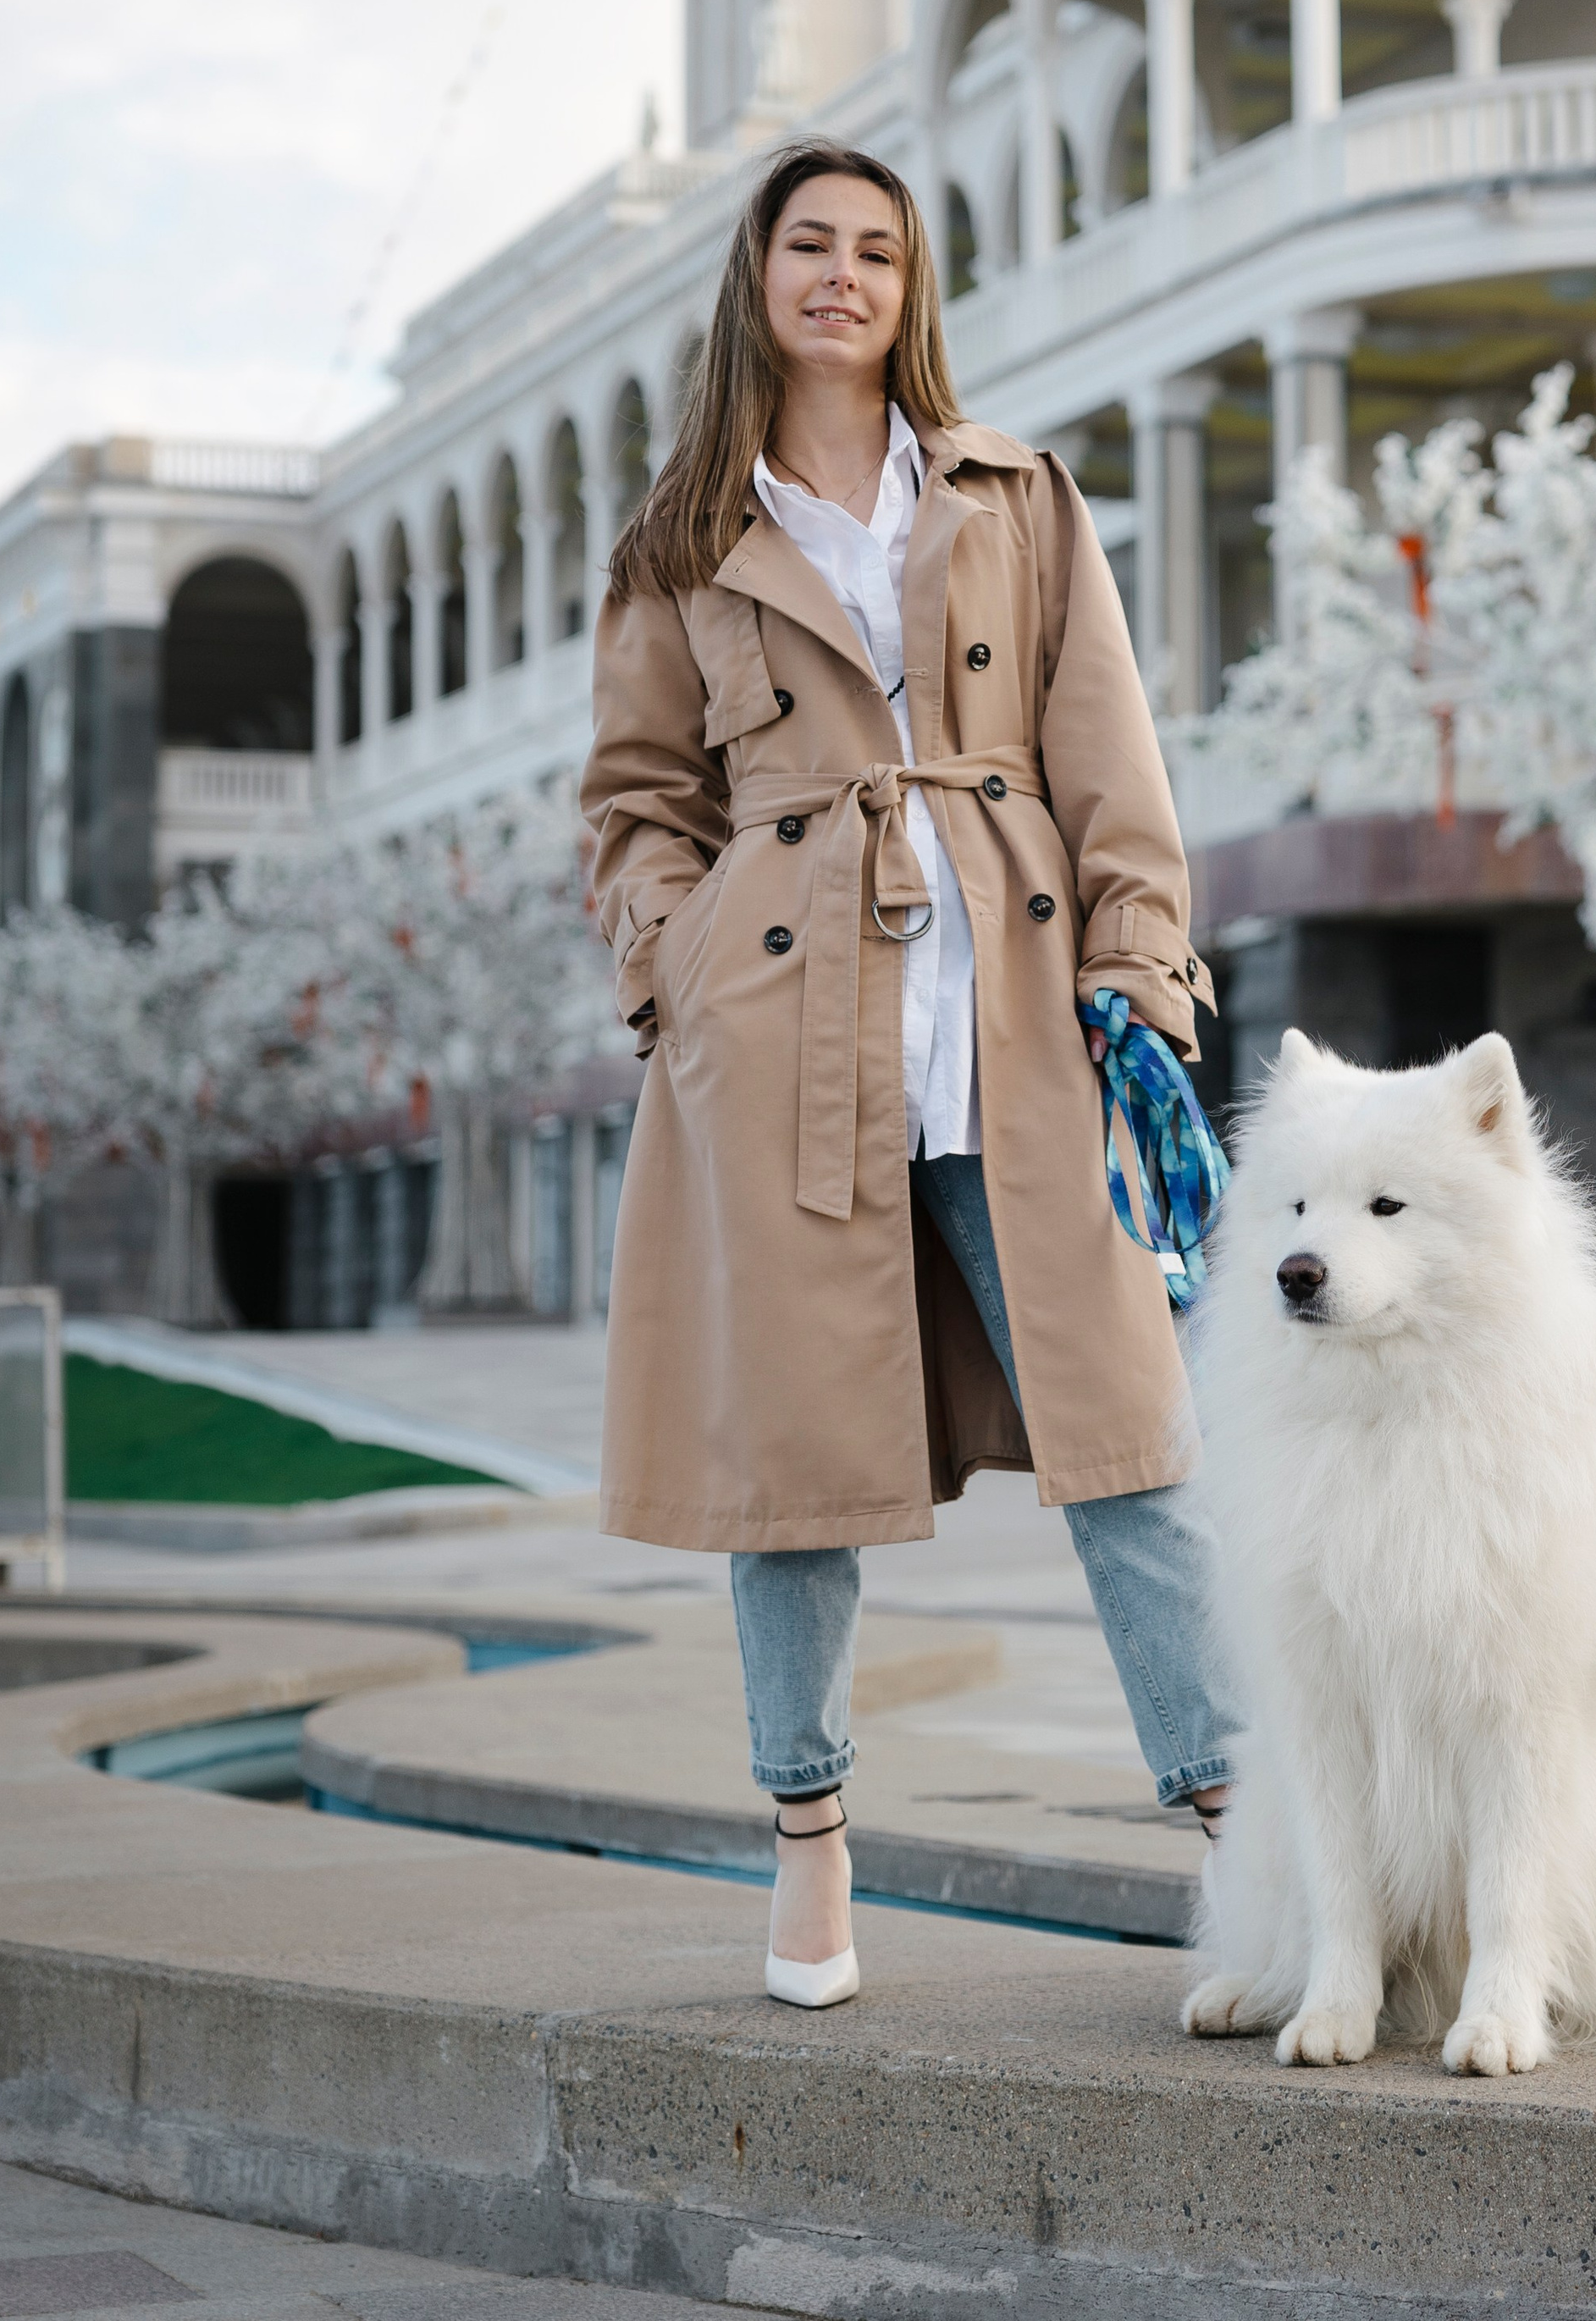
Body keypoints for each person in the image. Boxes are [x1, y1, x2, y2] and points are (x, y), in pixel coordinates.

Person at [583, 135, 1235, 2008]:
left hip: (1015, 1029)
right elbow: (637, 804)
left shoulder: (1017, 496)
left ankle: (1239, 1817)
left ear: (909, 287)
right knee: (786, 1474)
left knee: (1133, 1444)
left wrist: (1135, 964)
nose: (844, 276)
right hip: (786, 1052)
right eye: (811, 244)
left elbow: (1108, 753)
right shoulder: (676, 540)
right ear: (758, 276)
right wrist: (680, 968)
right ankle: (808, 1841)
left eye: (878, 250)